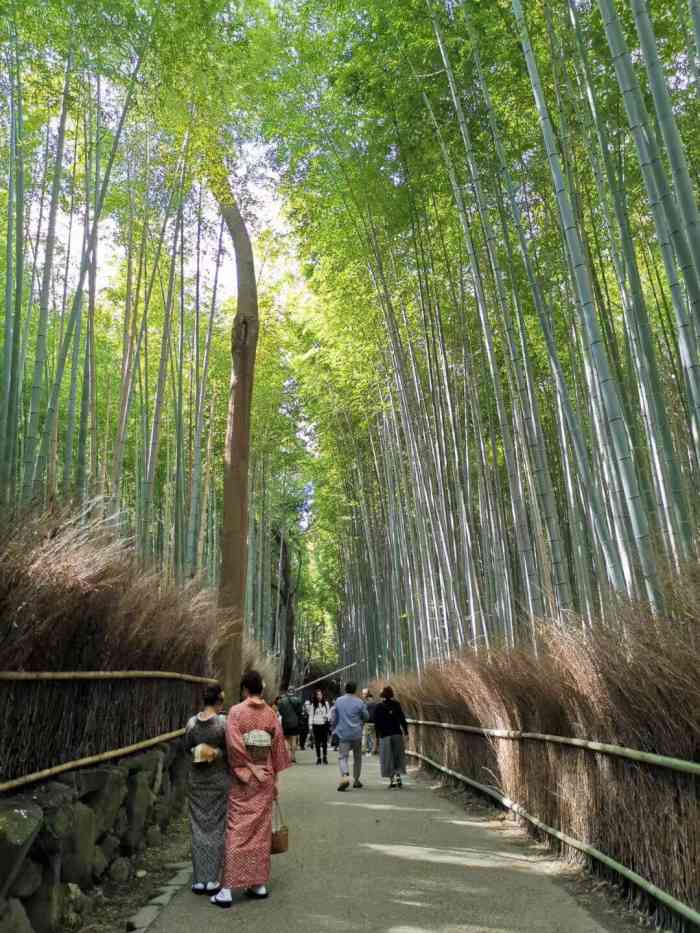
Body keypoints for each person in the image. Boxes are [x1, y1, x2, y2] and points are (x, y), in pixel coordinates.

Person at [211, 670, 291, 908]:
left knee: (237, 830)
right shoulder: (270, 714)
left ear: (245, 689)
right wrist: (272, 778)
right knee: (259, 832)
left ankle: (226, 890)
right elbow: (278, 749)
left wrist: (248, 769)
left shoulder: (236, 712)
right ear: (261, 689)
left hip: (244, 779)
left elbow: (234, 746)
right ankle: (258, 884)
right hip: (265, 776)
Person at [184, 683, 230, 895]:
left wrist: (198, 750)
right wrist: (215, 753)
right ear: (218, 701)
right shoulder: (223, 723)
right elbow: (230, 752)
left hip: (196, 782)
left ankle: (198, 879)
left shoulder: (192, 723)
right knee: (216, 828)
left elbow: (186, 748)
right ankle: (212, 878)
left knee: (197, 828)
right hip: (218, 782)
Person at [330, 682, 368, 791]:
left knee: (343, 757)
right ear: (355, 690)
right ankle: (356, 781)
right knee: (357, 757)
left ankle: (345, 776)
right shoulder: (360, 702)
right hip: (356, 733)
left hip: (343, 733)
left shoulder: (338, 701)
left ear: (345, 689)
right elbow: (366, 716)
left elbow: (335, 717)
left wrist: (334, 728)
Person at [374, 685, 409, 789]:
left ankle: (392, 780)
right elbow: (402, 719)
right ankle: (398, 777)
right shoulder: (396, 704)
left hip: (385, 736)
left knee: (388, 758)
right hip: (397, 734)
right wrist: (406, 732)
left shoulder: (378, 707)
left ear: (382, 695)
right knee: (397, 756)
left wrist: (377, 738)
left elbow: (377, 725)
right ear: (391, 694)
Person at [305, 688, 331, 765]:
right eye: (317, 695)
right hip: (316, 725)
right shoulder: (313, 705)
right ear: (315, 696)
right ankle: (318, 758)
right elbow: (311, 716)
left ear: (322, 695)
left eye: (320, 694)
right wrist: (310, 726)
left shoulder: (326, 703)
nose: (319, 696)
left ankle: (325, 757)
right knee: (317, 743)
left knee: (324, 742)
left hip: (324, 724)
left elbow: (329, 713)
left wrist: (327, 717)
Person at [277, 688, 302, 762]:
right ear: (293, 692)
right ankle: (293, 756)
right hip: (295, 722)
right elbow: (300, 711)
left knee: (286, 739)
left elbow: (280, 712)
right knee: (294, 739)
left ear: (287, 692)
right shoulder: (298, 700)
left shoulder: (281, 701)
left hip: (285, 722)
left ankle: (288, 756)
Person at [361, 688, 378, 755]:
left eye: (364, 694)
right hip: (374, 722)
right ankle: (373, 750)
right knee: (373, 737)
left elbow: (364, 713)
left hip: (367, 722)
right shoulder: (375, 703)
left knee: (365, 736)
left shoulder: (366, 703)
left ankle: (363, 750)